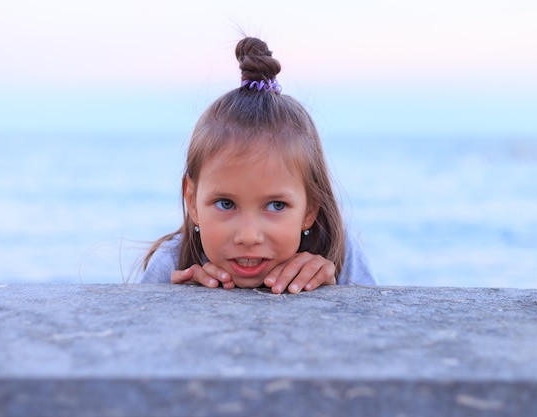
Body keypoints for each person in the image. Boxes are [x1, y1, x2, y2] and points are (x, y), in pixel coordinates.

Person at [141, 37, 376, 293]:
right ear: (192, 200)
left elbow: (375, 326)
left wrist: (331, 295)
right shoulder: (171, 266)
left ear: (310, 208)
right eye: (226, 204)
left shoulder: (341, 256)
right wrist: (182, 303)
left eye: (276, 205)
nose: (249, 236)